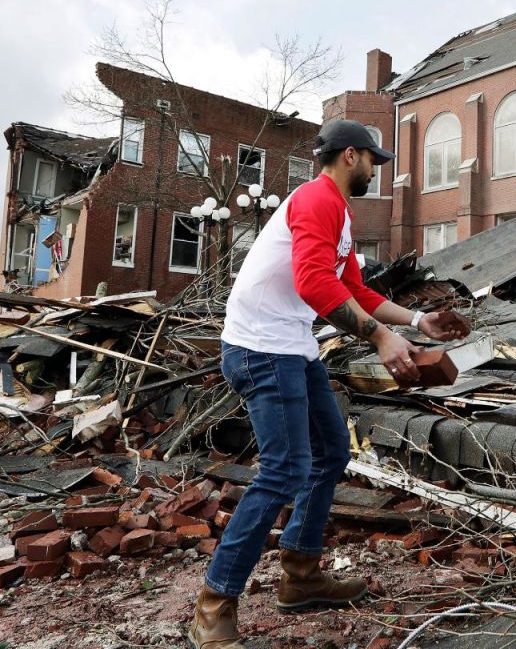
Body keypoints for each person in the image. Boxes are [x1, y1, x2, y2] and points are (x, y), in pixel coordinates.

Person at [188, 119, 471, 649]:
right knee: (283, 469)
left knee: (331, 450)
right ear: (348, 156)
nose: (375, 169)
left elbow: (352, 289)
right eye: (372, 160)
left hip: (291, 346)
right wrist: (381, 339)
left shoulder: (336, 210)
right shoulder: (316, 199)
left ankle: (300, 574)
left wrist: (415, 323)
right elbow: (313, 283)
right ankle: (215, 603)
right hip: (260, 349)